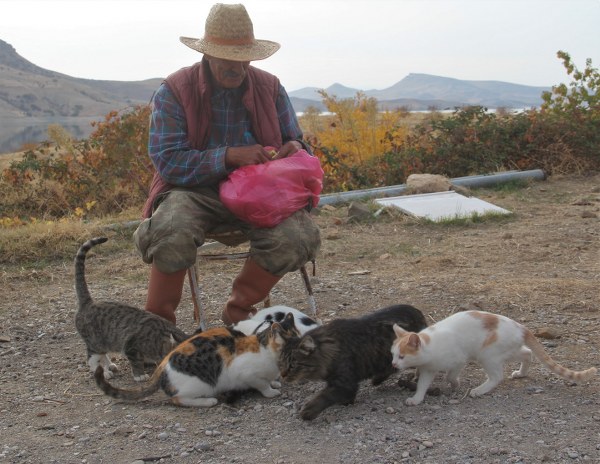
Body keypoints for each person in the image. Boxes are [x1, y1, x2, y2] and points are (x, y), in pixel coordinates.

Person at [133, 3, 321, 326]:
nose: (239, 67)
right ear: (208, 54)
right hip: (193, 192)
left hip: (261, 194)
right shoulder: (175, 91)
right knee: (170, 228)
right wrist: (229, 156)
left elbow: (299, 142)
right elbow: (168, 161)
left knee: (300, 236)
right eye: (229, 60)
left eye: (244, 58)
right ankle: (157, 329)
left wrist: (295, 149)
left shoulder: (271, 87)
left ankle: (239, 315)